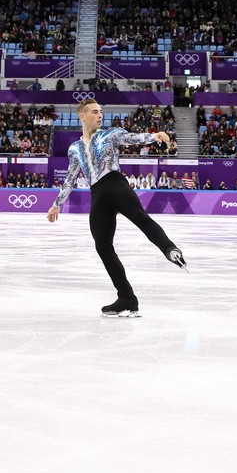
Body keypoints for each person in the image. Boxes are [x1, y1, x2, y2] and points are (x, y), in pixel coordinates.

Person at [47, 98, 187, 318]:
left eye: (101, 111)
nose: (100, 115)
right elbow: (71, 178)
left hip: (115, 184)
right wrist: (57, 204)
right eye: (94, 112)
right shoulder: (74, 149)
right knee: (102, 246)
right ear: (82, 116)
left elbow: (132, 138)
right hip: (98, 195)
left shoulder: (109, 134)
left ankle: (170, 249)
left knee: (142, 219)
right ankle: (127, 298)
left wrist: (154, 136)